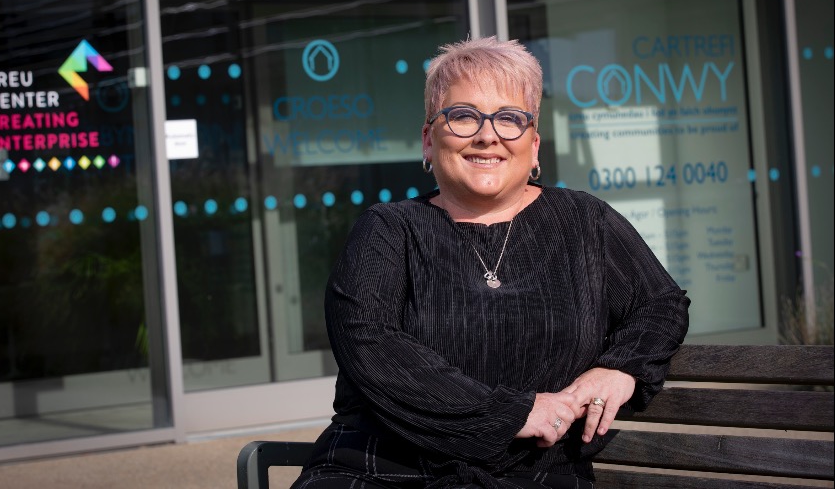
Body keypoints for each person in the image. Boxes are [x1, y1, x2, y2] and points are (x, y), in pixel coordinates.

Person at [291, 36, 690, 489]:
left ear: (534, 146)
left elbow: (660, 304)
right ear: (428, 140)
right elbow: (370, 343)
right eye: (463, 116)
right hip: (384, 470)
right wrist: (512, 414)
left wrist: (619, 368)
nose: (487, 135)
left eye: (509, 118)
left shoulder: (585, 221)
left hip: (532, 476)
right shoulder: (387, 230)